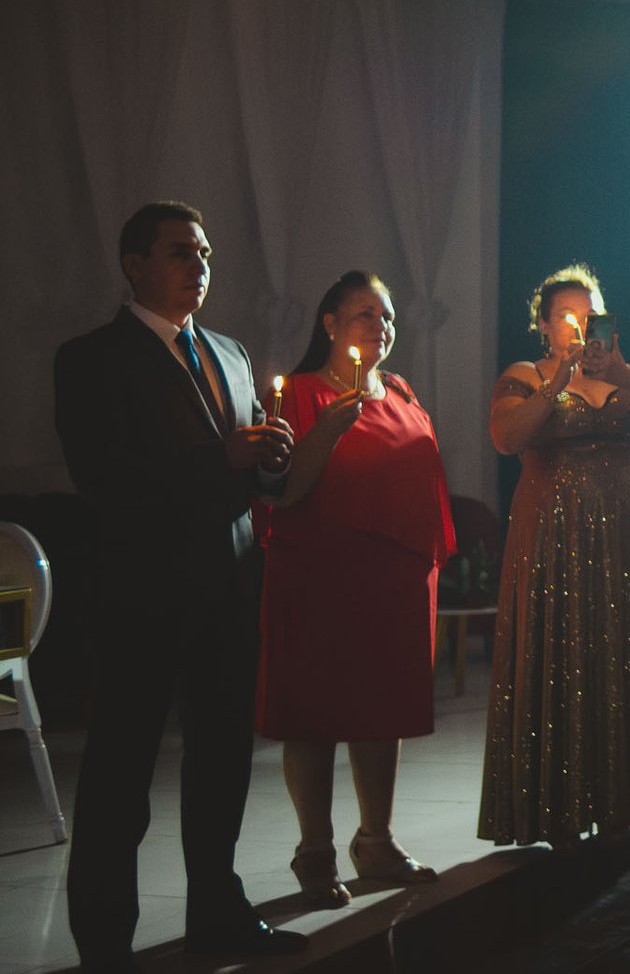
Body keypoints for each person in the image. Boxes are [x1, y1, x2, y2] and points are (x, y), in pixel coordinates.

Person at [53, 201, 302, 971]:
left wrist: (272, 455)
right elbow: (104, 475)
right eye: (179, 252)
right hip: (140, 594)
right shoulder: (92, 357)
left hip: (226, 589)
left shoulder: (227, 350)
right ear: (134, 265)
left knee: (223, 761)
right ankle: (104, 942)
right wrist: (221, 460)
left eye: (205, 252)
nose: (199, 264)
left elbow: (248, 469)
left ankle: (218, 913)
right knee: (121, 774)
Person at [257, 271, 457, 905]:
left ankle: (376, 839)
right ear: (330, 324)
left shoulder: (399, 389)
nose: (380, 326)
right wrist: (328, 431)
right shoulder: (303, 395)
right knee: (314, 711)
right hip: (322, 572)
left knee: (382, 709)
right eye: (365, 315)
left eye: (388, 316)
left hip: (394, 577)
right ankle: (314, 849)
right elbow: (282, 490)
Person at [480, 265, 630, 847]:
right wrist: (557, 381)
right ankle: (555, 810)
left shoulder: (622, 372)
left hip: (618, 536)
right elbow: (507, 438)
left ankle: (617, 805)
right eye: (566, 315)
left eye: (587, 314)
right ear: (543, 324)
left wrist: (623, 376)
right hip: (552, 539)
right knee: (557, 650)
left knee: (614, 650)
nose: (577, 324)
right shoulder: (526, 373)